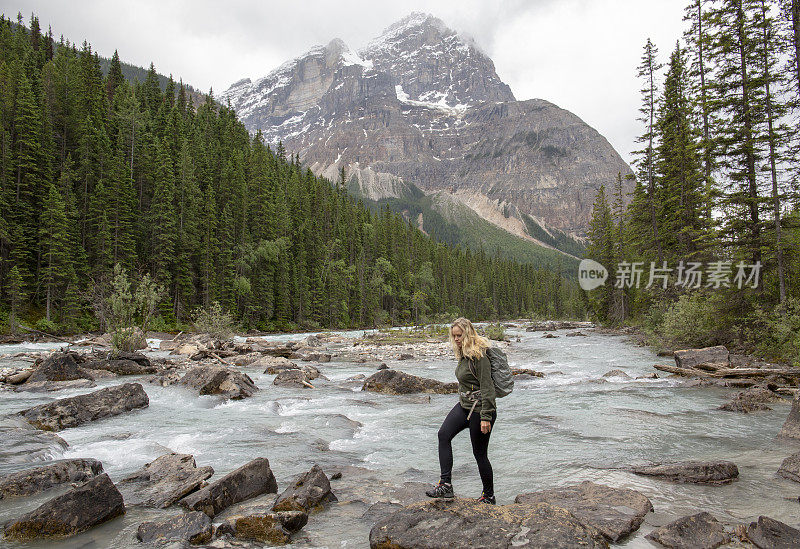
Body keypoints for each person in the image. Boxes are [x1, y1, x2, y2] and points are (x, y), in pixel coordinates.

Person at [425, 317, 497, 504]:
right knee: (443, 435)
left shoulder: (479, 356)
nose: (456, 339)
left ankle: (489, 496)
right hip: (465, 407)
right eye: (454, 336)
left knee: (479, 454)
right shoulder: (463, 353)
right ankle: (446, 485)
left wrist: (486, 417)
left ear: (468, 334)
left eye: (459, 335)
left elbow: (487, 387)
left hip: (481, 410)